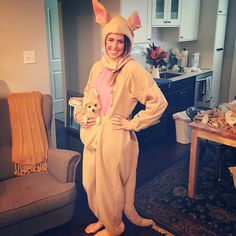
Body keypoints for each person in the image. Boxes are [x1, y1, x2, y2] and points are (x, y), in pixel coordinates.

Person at [76, 1, 168, 235]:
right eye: (110, 40)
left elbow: (159, 102)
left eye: (120, 41)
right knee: (90, 182)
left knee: (111, 186)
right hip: (93, 133)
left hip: (116, 135)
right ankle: (103, 218)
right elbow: (88, 94)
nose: (114, 46)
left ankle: (115, 226)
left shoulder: (132, 69)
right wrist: (83, 116)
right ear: (104, 40)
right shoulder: (97, 66)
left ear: (127, 43)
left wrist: (132, 123)